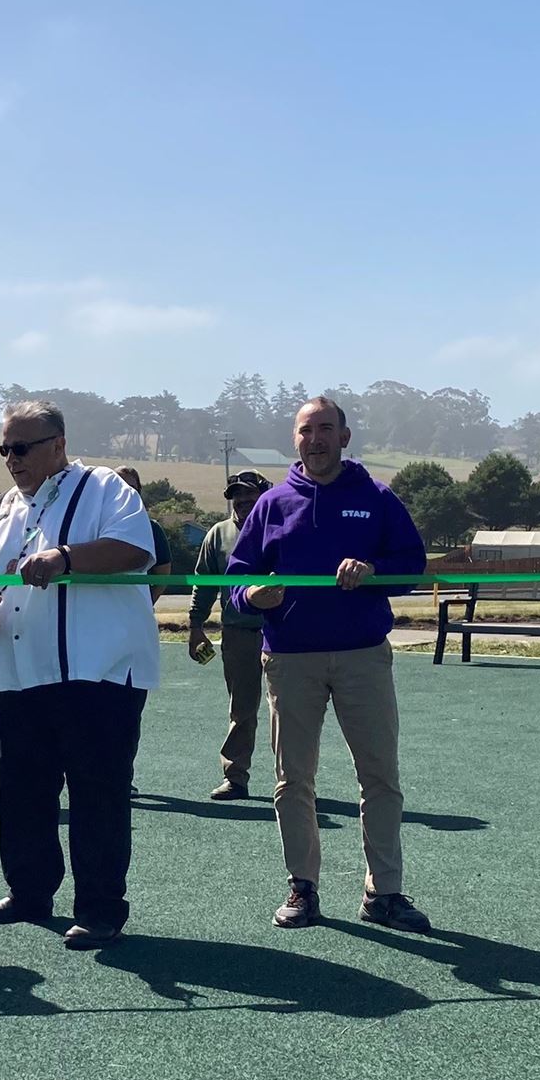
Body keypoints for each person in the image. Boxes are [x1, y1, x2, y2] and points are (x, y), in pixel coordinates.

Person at [0, 401, 158, 949]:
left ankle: (100, 909)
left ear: (58, 444)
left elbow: (135, 548)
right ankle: (28, 893)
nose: (11, 459)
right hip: (19, 673)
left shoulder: (105, 488)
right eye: (5, 449)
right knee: (23, 792)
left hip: (97, 674)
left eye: (21, 447)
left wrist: (64, 557)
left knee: (97, 795)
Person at [228, 397, 433, 934]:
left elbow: (412, 565)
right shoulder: (271, 505)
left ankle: (384, 893)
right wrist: (253, 596)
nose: (314, 439)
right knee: (293, 779)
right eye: (305, 430)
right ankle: (303, 888)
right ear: (294, 439)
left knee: (380, 776)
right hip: (290, 659)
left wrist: (374, 570)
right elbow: (235, 580)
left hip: (363, 656)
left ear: (344, 437)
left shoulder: (377, 497)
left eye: (325, 429)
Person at [188, 468, 272, 800]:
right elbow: (204, 584)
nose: (242, 501)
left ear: (264, 495)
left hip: (283, 633)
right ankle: (235, 776)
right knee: (242, 710)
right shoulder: (218, 535)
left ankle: (294, 781)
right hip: (239, 634)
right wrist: (196, 626)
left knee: (290, 711)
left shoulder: (281, 527)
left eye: (250, 494)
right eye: (237, 496)